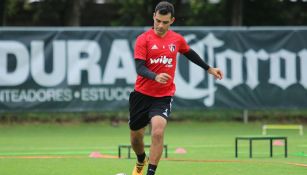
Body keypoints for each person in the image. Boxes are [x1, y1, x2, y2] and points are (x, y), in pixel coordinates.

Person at [129, 1, 223, 175]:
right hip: (141, 94)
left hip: (163, 96)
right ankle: (141, 159)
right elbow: (139, 68)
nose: (160, 25)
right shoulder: (143, 39)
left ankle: (150, 172)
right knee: (136, 138)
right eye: (158, 21)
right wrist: (155, 76)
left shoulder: (176, 39)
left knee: (157, 131)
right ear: (153, 17)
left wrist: (209, 68)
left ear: (172, 21)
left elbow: (189, 53)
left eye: (165, 22)